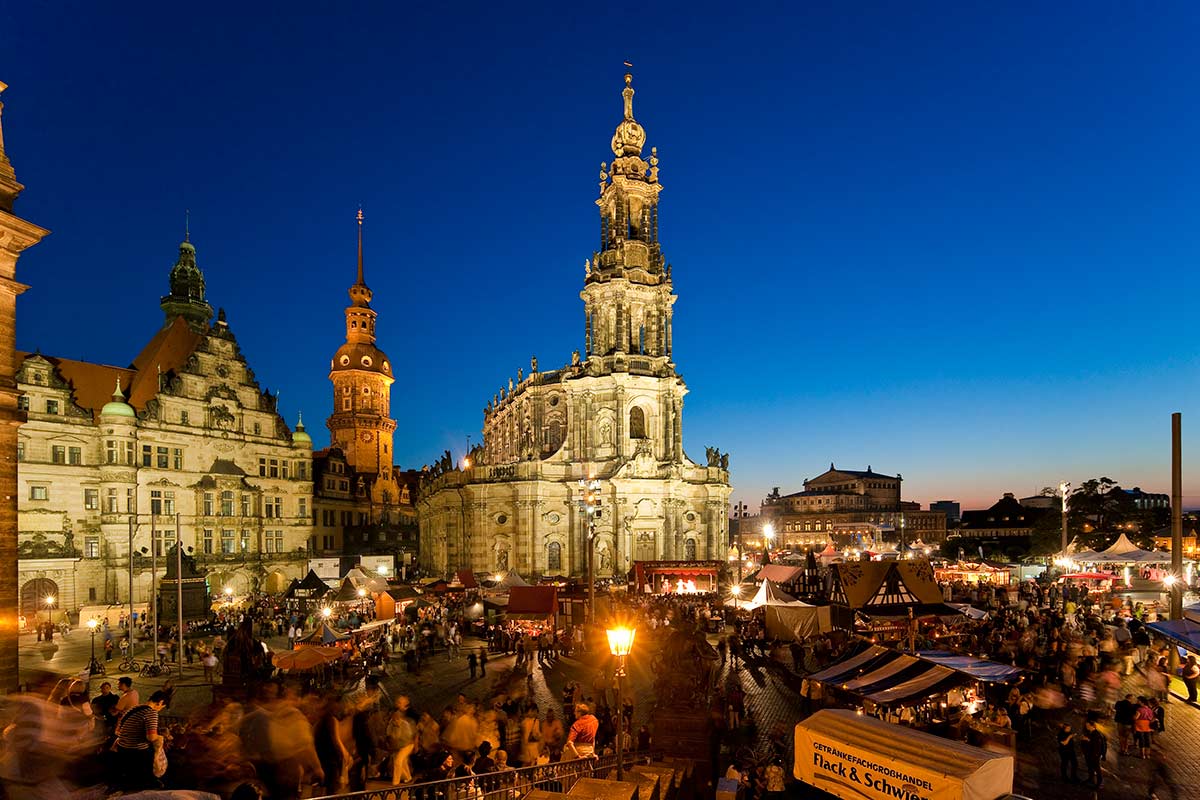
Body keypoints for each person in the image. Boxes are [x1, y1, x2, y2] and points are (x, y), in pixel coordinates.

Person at [114, 689, 168, 791]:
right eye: (162, 707)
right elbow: (151, 737)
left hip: (122, 748)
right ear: (160, 702)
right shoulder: (151, 712)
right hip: (136, 752)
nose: (160, 709)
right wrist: (161, 737)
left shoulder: (134, 708)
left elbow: (118, 729)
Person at [385, 695, 415, 785]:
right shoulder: (391, 724)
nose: (396, 719)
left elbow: (408, 736)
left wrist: (398, 730)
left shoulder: (405, 724)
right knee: (402, 763)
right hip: (398, 746)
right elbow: (389, 734)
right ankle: (408, 778)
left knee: (398, 761)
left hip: (407, 745)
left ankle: (395, 783)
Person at [1082, 718, 1107, 789]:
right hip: (1089, 754)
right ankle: (1091, 779)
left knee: (1097, 769)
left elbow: (1097, 747)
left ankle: (1100, 783)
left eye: (1088, 725)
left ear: (1092, 726)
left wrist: (1088, 740)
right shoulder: (1090, 733)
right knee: (1090, 768)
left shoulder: (1097, 735)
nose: (1086, 727)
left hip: (1094, 755)